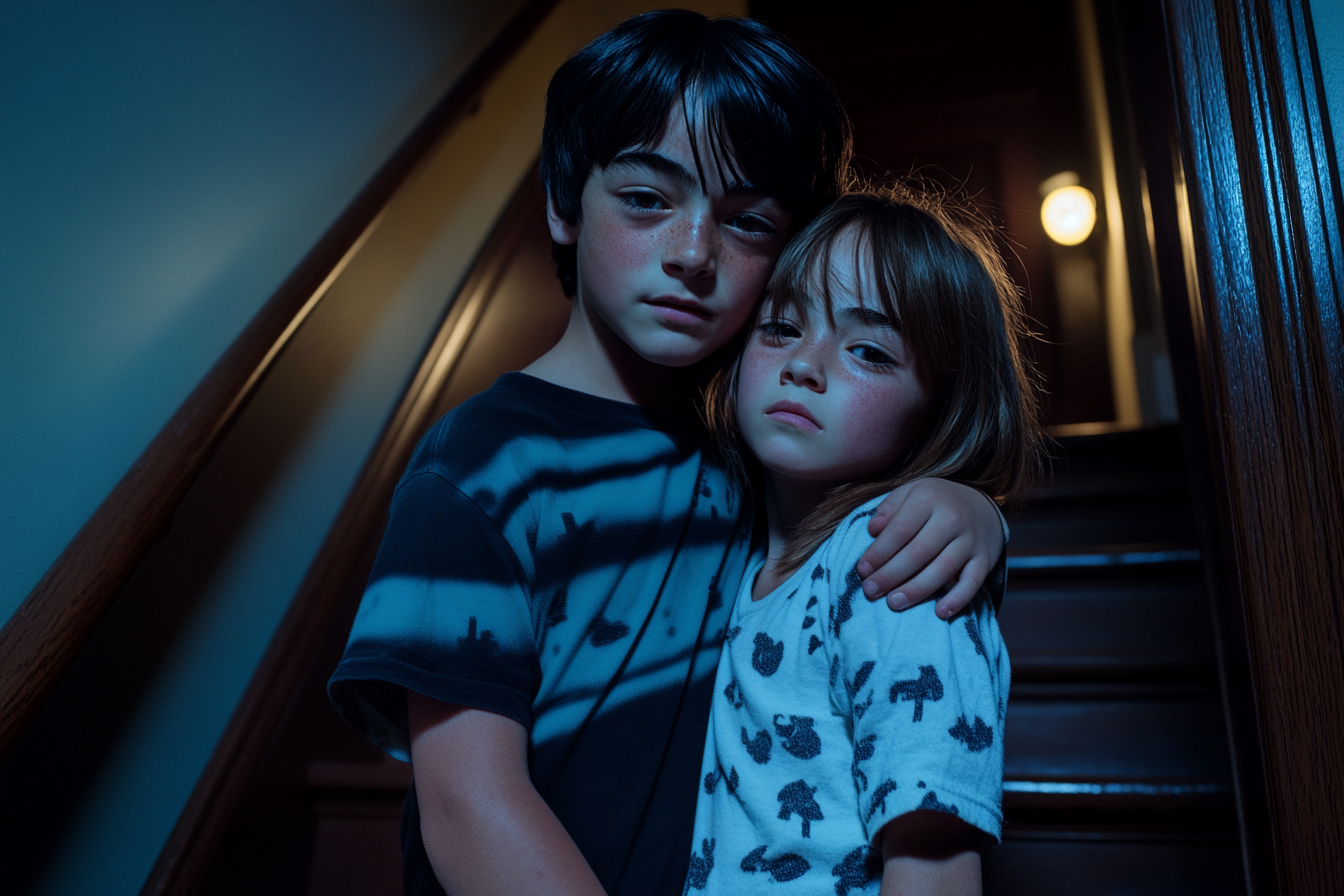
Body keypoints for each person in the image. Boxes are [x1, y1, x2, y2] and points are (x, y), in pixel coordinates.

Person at [327, 12, 1009, 896]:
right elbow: (466, 806)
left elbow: (871, 501)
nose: (693, 253)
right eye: (649, 199)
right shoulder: (481, 467)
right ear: (565, 202)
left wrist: (971, 507)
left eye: (749, 220)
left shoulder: (756, 441)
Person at [685, 184, 1041, 895]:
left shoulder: (894, 569)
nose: (805, 364)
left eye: (870, 352)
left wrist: (973, 505)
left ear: (939, 408)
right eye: (781, 327)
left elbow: (933, 866)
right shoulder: (734, 549)